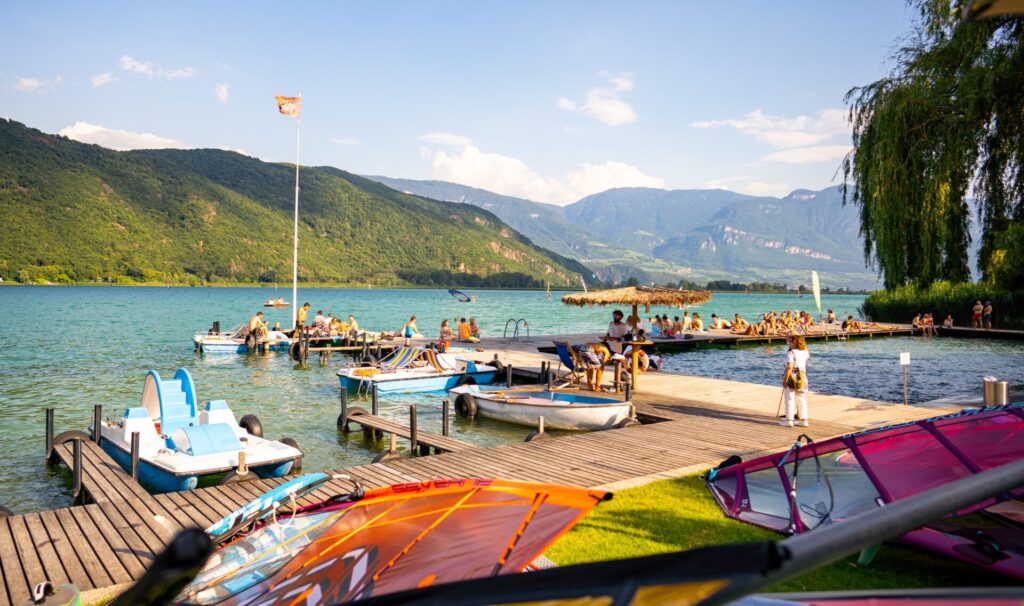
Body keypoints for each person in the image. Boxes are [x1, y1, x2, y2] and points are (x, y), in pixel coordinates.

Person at [781, 335, 810, 427]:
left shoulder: (791, 353)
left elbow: (789, 367)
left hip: (792, 375)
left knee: (790, 398)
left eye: (790, 342)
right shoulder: (806, 352)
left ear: (795, 342)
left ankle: (789, 420)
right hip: (802, 375)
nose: (789, 344)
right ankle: (803, 420)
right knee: (801, 398)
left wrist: (785, 380)